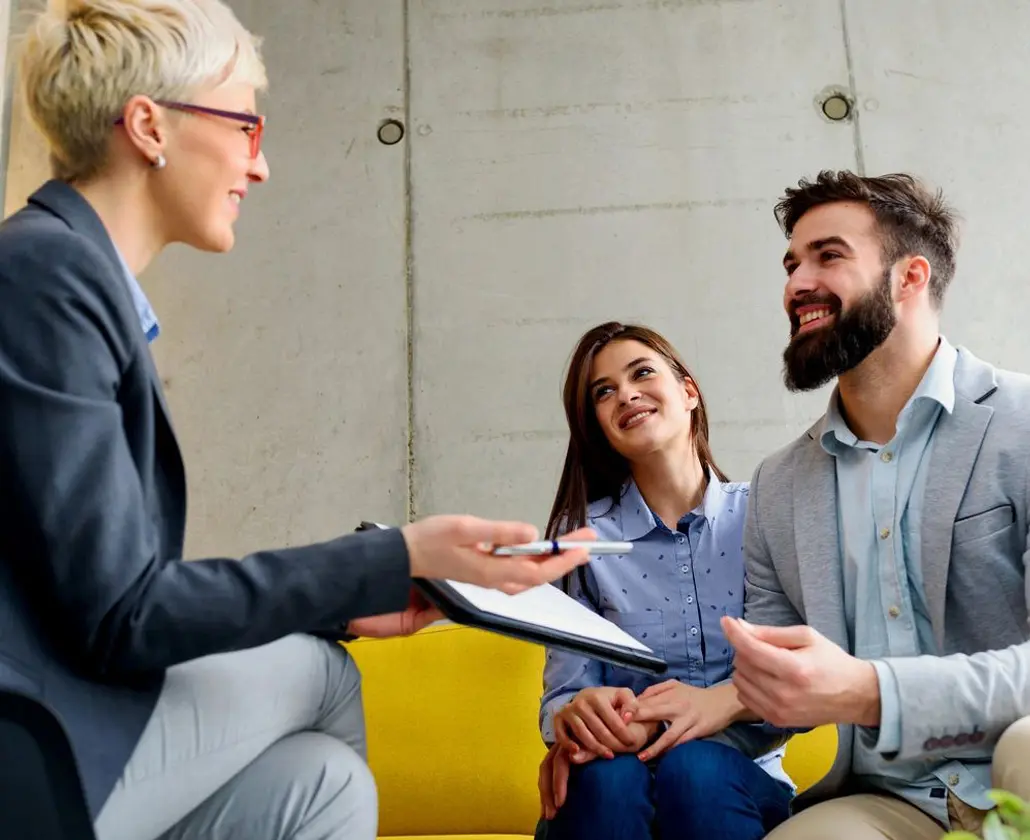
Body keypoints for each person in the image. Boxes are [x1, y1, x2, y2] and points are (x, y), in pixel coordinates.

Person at [0, 3, 595, 839]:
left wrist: (354, 599)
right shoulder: (47, 275)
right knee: (322, 677)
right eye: (245, 124)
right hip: (33, 746)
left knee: (324, 784)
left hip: (62, 722)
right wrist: (394, 557)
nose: (263, 165)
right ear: (147, 125)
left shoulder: (63, 278)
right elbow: (118, 615)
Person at [718, 170, 1030, 839]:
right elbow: (781, 695)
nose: (797, 283)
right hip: (888, 798)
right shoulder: (777, 486)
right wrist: (648, 724)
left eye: (828, 256)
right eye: (792, 263)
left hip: (1016, 766)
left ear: (910, 276)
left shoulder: (1023, 423)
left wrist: (870, 691)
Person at [535, 321, 795, 840]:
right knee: (606, 779)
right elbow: (561, 700)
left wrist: (659, 727)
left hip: (734, 784)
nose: (625, 394)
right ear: (599, 425)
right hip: (613, 785)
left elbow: (792, 689)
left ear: (688, 391)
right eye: (603, 392)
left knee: (695, 770)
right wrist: (576, 717)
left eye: (642, 373)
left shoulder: (765, 514)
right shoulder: (583, 540)